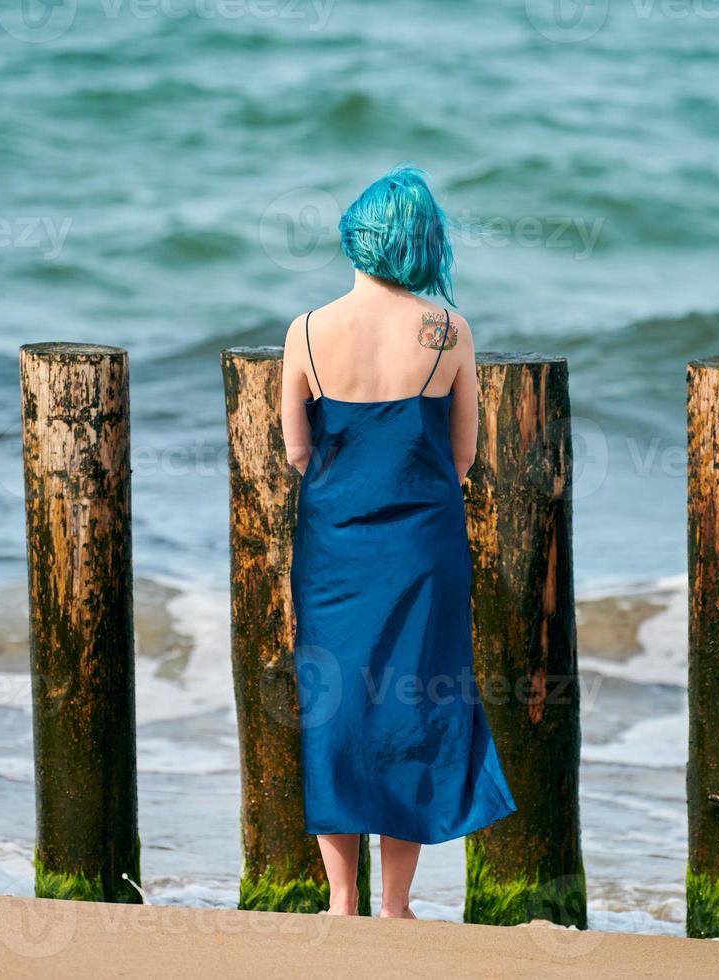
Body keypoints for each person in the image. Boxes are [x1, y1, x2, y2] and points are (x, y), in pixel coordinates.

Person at [279, 166, 518, 919]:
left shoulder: (308, 330)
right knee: (411, 703)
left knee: (336, 704)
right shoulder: (448, 330)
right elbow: (463, 456)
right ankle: (398, 903)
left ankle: (340, 901)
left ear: (357, 237)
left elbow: (295, 451)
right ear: (421, 243)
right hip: (422, 547)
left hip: (335, 552)